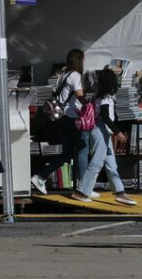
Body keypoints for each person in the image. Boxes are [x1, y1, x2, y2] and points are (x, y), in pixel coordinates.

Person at [32, 49, 92, 200]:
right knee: (82, 150)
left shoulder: (63, 75)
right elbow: (79, 96)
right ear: (79, 60)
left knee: (67, 153)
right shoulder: (76, 76)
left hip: (62, 118)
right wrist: (90, 105)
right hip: (73, 118)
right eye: (83, 59)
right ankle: (84, 187)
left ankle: (41, 176)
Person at [77, 68, 137, 206]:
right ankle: (81, 191)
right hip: (100, 130)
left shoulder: (98, 96)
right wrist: (118, 132)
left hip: (103, 131)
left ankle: (120, 193)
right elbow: (105, 117)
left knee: (111, 164)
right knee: (97, 162)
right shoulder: (104, 98)